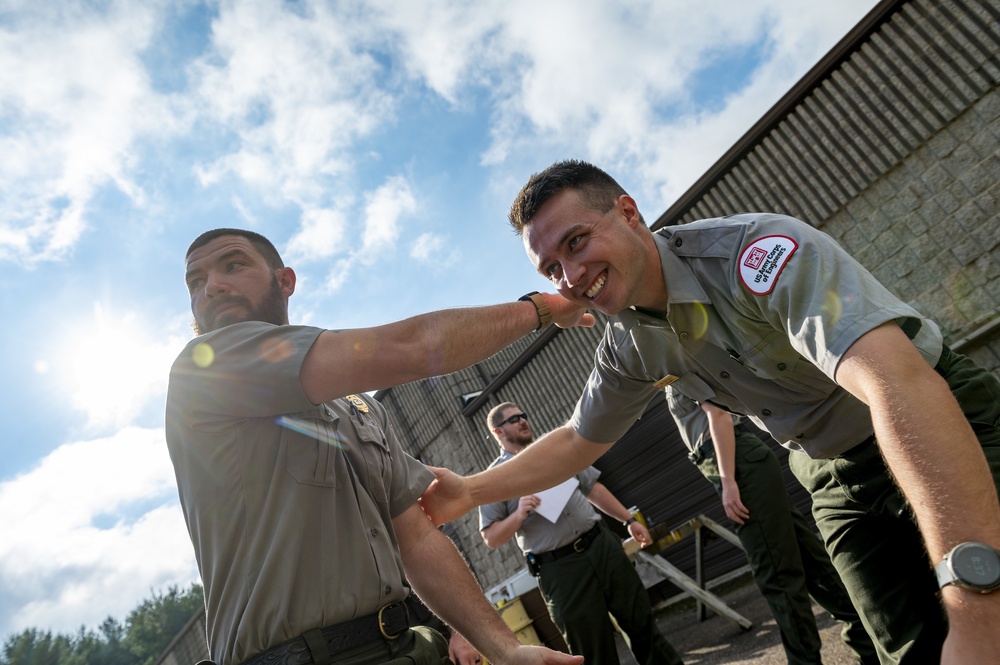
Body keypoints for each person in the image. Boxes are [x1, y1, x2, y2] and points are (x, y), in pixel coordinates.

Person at [418, 160, 1000, 665]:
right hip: (831, 473)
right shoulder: (628, 344)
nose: (571, 277)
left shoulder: (753, 253)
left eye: (576, 242)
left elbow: (894, 383)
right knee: (907, 647)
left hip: (938, 414)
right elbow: (576, 440)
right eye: (550, 270)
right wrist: (470, 491)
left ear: (628, 212)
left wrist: (977, 613)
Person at [165, 228, 588, 665]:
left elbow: (418, 538)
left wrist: (505, 648)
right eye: (195, 282)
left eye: (233, 265)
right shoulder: (205, 371)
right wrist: (543, 308)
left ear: (285, 280)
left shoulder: (358, 407)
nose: (212, 287)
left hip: (400, 647)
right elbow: (416, 346)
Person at [665, 389, 876, 664]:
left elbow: (719, 415)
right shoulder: (662, 364)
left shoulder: (675, 357)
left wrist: (728, 481)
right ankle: (870, 641)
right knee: (810, 562)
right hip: (739, 462)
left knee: (776, 575)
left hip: (737, 465)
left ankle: (805, 660)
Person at [479, 402, 683, 665]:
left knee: (642, 624)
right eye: (513, 419)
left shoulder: (553, 449)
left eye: (523, 415)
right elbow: (491, 538)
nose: (522, 421)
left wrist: (628, 520)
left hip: (601, 546)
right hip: (562, 569)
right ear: (497, 432)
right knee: (592, 651)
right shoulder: (495, 477)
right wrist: (518, 515)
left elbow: (593, 488)